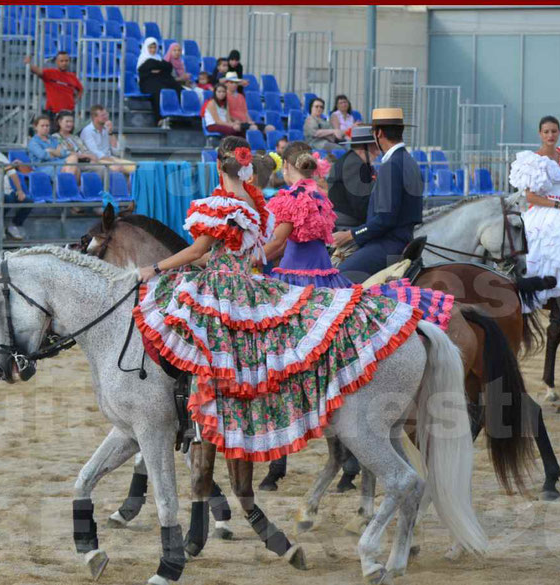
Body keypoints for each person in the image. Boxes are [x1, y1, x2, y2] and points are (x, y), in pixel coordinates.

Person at [132, 136, 423, 464]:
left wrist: (157, 266)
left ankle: (200, 422)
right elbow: (249, 252)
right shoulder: (253, 207)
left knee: (198, 342)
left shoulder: (224, 206)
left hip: (226, 285)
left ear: (219, 167)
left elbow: (201, 250)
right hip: (254, 278)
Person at [257, 142, 455, 491]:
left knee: (272, 344)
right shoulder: (319, 196)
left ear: (287, 167)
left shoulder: (290, 197)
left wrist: (249, 261)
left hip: (295, 278)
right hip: (326, 277)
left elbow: (277, 245)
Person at [509, 115, 560, 324]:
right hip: (546, 207)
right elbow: (529, 196)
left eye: (554, 131)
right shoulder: (533, 160)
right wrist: (558, 206)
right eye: (546, 132)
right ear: (540, 134)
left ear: (559, 132)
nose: (550, 135)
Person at [334, 108, 423, 282]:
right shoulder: (410, 161)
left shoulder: (391, 165)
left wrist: (351, 235)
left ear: (379, 133)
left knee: (337, 278)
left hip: (387, 244)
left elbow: (384, 219)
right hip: (404, 238)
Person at [327, 125, 377, 231]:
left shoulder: (355, 161)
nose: (377, 152)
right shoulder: (354, 165)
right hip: (347, 226)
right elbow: (361, 205)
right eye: (374, 148)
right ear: (362, 149)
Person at [80, 104, 136, 178]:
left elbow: (117, 151)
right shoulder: (87, 131)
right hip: (95, 160)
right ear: (94, 117)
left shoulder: (106, 129)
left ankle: (131, 189)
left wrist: (110, 132)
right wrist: (113, 161)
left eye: (106, 114)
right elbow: (95, 152)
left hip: (109, 158)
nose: (106, 117)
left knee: (135, 167)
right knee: (117, 168)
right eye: (103, 115)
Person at [24, 52, 83, 123]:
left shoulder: (72, 77)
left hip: (68, 113)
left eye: (66, 61)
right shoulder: (50, 73)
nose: (64, 63)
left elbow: (80, 89)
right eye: (62, 61)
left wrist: (75, 100)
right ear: (57, 62)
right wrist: (28, 64)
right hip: (53, 113)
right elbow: (38, 71)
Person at [137, 37, 181, 124]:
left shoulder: (158, 57)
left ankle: (177, 115)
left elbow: (167, 68)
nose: (153, 50)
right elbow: (144, 73)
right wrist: (156, 68)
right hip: (147, 84)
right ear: (146, 47)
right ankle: (159, 118)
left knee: (176, 87)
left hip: (159, 81)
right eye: (150, 47)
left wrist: (155, 69)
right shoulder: (143, 58)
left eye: (154, 47)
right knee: (159, 91)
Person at [52, 110, 101, 182]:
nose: (70, 124)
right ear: (59, 122)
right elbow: (64, 153)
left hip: (84, 162)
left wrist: (89, 156)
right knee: (101, 169)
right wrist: (82, 155)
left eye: (71, 122)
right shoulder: (55, 137)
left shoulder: (75, 138)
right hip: (70, 163)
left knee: (104, 167)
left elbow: (85, 151)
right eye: (67, 121)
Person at [27, 114, 79, 181]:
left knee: (75, 167)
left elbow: (63, 153)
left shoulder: (52, 139)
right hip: (42, 168)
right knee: (73, 160)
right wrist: (57, 152)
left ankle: (69, 189)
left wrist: (51, 151)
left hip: (56, 164)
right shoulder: (33, 142)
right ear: (36, 127)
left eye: (47, 126)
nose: (45, 128)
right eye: (42, 126)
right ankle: (68, 188)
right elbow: (43, 155)